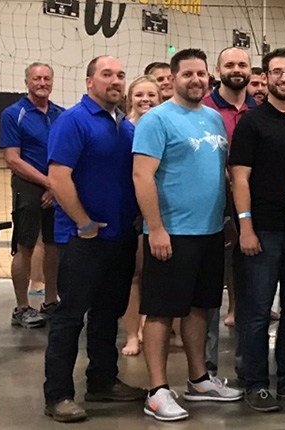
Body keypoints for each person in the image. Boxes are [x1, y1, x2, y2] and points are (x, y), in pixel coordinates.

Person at [132, 49, 242, 422]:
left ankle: (199, 380)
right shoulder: (157, 120)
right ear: (173, 78)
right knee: (161, 312)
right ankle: (157, 390)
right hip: (171, 233)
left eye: (201, 74)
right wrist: (156, 228)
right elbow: (141, 176)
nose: (196, 80)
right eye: (187, 74)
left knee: (200, 308)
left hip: (209, 232)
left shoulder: (212, 118)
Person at [41, 55, 148, 423]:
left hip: (119, 237)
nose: (115, 80)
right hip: (83, 239)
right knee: (70, 317)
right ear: (89, 81)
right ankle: (58, 395)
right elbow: (58, 177)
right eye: (107, 74)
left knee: (108, 313)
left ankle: (102, 380)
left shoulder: (125, 127)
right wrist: (83, 223)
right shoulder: (74, 121)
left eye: (121, 74)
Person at [228, 48, 285, 412]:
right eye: (276, 72)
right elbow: (240, 178)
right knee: (257, 311)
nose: (284, 78)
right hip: (263, 230)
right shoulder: (252, 121)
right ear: (264, 78)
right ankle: (254, 382)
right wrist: (245, 226)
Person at [201, 46, 257, 368]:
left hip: (249, 211)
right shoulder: (203, 108)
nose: (236, 69)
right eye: (230, 64)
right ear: (218, 69)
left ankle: (245, 366)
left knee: (248, 288)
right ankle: (205, 368)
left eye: (242, 64)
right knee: (209, 292)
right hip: (210, 210)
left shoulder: (260, 110)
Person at [0, 62, 62, 329]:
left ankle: (50, 301)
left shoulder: (61, 114)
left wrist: (55, 186)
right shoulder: (13, 114)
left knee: (53, 245)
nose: (42, 83)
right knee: (24, 246)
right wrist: (46, 182)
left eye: (47, 78)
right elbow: (13, 159)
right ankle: (22, 307)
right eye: (37, 78)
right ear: (27, 82)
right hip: (28, 186)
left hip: (56, 186)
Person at [120, 76, 162, 357]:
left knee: (156, 274)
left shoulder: (163, 125)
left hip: (160, 208)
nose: (145, 100)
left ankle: (152, 326)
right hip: (130, 210)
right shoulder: (123, 128)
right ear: (130, 98)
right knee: (134, 275)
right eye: (139, 95)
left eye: (151, 95)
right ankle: (132, 334)